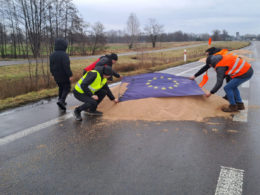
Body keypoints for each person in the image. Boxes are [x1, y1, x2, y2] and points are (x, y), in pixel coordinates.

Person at [50, 38, 72, 111]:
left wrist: (53, 73)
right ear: (64, 46)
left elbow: (51, 66)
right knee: (67, 87)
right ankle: (62, 101)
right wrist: (70, 75)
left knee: (61, 87)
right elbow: (66, 66)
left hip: (56, 75)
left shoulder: (52, 54)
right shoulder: (64, 55)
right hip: (64, 75)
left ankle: (60, 99)